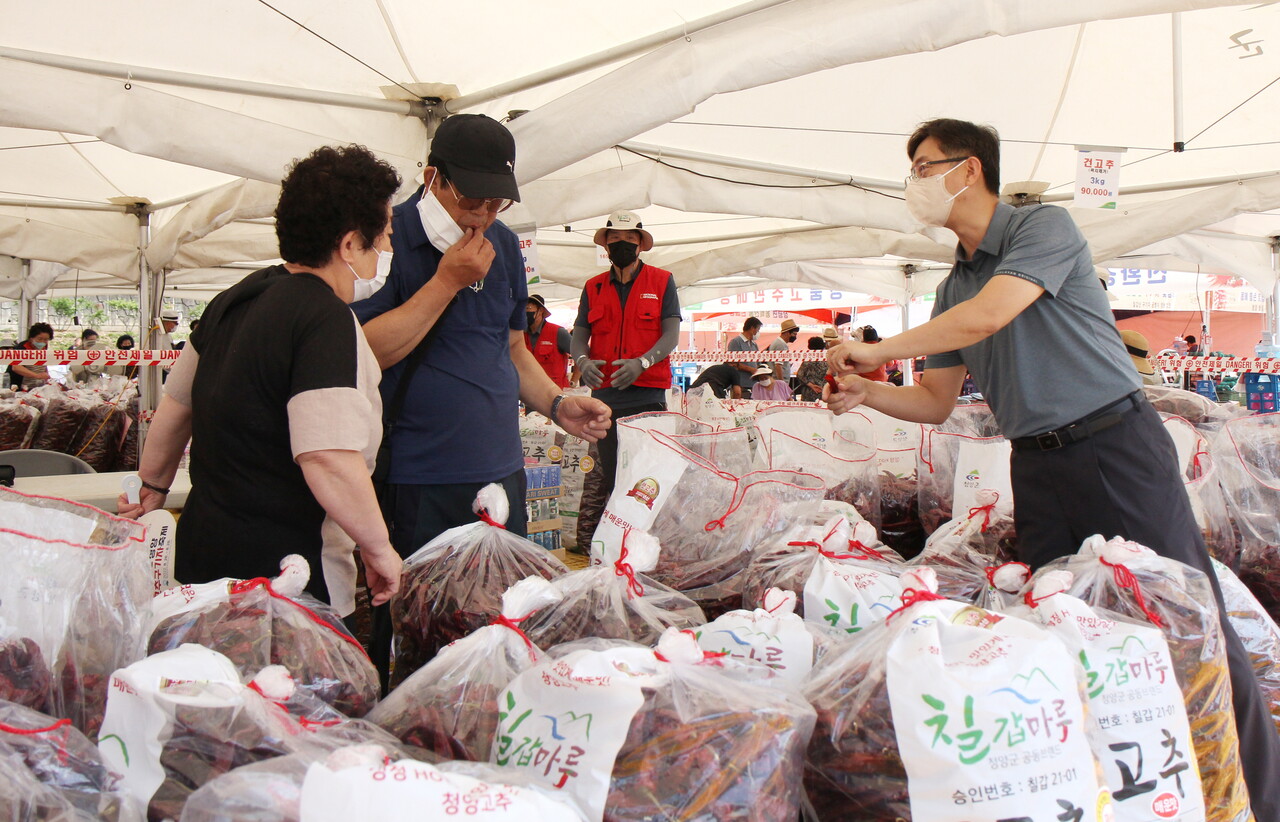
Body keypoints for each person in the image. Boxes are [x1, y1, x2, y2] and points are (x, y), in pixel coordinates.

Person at [823, 117, 1280, 820]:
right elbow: (936, 401)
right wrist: (867, 390)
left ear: (967, 170)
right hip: (1035, 468)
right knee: (1065, 624)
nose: (913, 183)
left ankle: (1259, 796)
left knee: (1188, 619)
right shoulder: (950, 289)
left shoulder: (1043, 230)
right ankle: (1125, 794)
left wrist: (874, 349)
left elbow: (988, 317)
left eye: (921, 166)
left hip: (1115, 449)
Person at [351, 114, 610, 680]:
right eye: (474, 200)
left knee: (496, 620)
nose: (485, 215)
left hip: (499, 472)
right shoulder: (386, 236)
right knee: (418, 625)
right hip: (417, 474)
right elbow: (364, 350)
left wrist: (558, 404)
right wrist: (446, 280)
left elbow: (513, 348)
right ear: (432, 178)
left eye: (498, 203)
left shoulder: (503, 245)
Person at [117, 144, 405, 617]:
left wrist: (153, 483)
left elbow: (177, 405)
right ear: (351, 244)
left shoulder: (232, 299)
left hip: (205, 558)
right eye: (385, 237)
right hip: (285, 578)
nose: (388, 251)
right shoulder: (325, 319)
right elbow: (327, 456)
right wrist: (378, 547)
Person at [571, 209, 680, 541]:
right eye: (615, 239)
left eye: (629, 240)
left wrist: (643, 363)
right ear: (605, 245)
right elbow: (579, 332)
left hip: (646, 394)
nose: (622, 245)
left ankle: (646, 543)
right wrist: (582, 360)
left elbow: (671, 333)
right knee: (614, 475)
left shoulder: (662, 280)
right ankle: (615, 543)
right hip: (604, 397)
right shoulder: (594, 287)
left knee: (646, 478)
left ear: (640, 245)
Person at [524, 294, 573, 387]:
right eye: (523, 308)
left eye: (528, 308)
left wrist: (574, 381)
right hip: (530, 392)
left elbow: (580, 355)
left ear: (541, 311)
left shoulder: (558, 332)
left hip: (556, 392)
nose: (525, 312)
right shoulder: (521, 335)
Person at [6, 322, 53, 391]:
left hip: (35, 386)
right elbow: (16, 367)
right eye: (39, 339)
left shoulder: (44, 346)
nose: (42, 342)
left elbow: (43, 363)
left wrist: (46, 376)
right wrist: (36, 375)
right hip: (18, 386)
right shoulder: (22, 347)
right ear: (31, 338)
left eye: (46, 339)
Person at [727, 317, 762, 395]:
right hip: (741, 385)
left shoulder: (754, 345)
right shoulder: (735, 342)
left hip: (754, 385)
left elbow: (758, 362)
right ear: (752, 328)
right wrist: (751, 369)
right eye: (758, 329)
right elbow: (733, 363)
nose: (758, 332)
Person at [795, 335, 830, 402]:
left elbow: (800, 375)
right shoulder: (828, 359)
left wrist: (811, 385)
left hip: (809, 392)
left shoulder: (809, 360)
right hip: (824, 390)